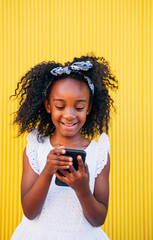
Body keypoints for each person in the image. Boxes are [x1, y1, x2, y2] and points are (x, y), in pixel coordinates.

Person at [11, 55, 118, 239]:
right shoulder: (36, 148)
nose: (69, 115)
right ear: (48, 106)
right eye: (60, 106)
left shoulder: (98, 153)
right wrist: (47, 171)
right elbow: (29, 212)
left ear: (89, 109)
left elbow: (98, 219)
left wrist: (82, 189)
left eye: (79, 107)